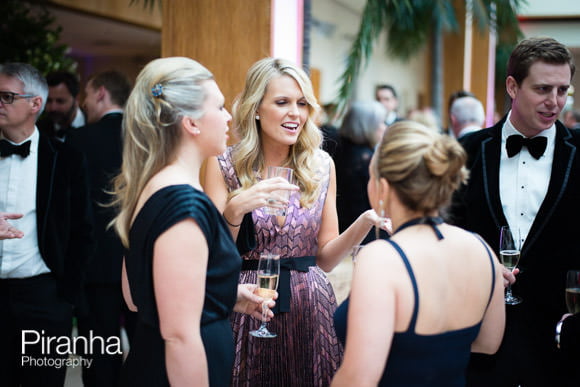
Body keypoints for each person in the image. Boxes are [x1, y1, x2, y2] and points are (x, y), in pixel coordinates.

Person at [204, 57, 384, 386]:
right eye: (282, 102)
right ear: (255, 108)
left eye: (302, 104)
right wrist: (234, 212)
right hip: (249, 302)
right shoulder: (223, 165)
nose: (295, 114)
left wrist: (362, 223)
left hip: (310, 304)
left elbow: (326, 259)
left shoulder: (320, 165)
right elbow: (212, 258)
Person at [111, 57, 271, 386]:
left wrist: (224, 295)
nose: (229, 117)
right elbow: (180, 336)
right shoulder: (184, 205)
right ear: (192, 124)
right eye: (220, 107)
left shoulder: (152, 187)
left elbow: (138, 296)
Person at [332, 121, 505, 386]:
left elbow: (357, 379)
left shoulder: (382, 258)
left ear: (384, 187)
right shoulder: (482, 249)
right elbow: (489, 343)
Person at [449, 36, 580, 386]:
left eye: (563, 90)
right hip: (478, 336)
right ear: (512, 85)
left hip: (561, 342)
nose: (555, 102)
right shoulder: (466, 151)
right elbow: (446, 231)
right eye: (542, 89)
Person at [0, 62, 94, 386]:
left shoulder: (66, 159)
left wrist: (65, 295)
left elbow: (83, 231)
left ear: (34, 105)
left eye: (7, 96)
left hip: (44, 298)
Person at [67, 69, 132, 387]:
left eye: (87, 96)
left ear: (101, 93)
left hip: (95, 264)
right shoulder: (143, 139)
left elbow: (71, 208)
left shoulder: (79, 140)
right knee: (144, 350)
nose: (84, 104)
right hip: (139, 261)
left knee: (98, 352)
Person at [335, 100, 387, 243]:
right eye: (381, 123)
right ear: (367, 126)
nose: (384, 128)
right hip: (363, 232)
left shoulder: (338, 148)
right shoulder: (365, 158)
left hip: (341, 229)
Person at [37, 70, 85, 141]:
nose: (53, 108)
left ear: (76, 99)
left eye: (60, 101)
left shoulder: (94, 125)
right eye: (48, 101)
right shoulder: (38, 130)